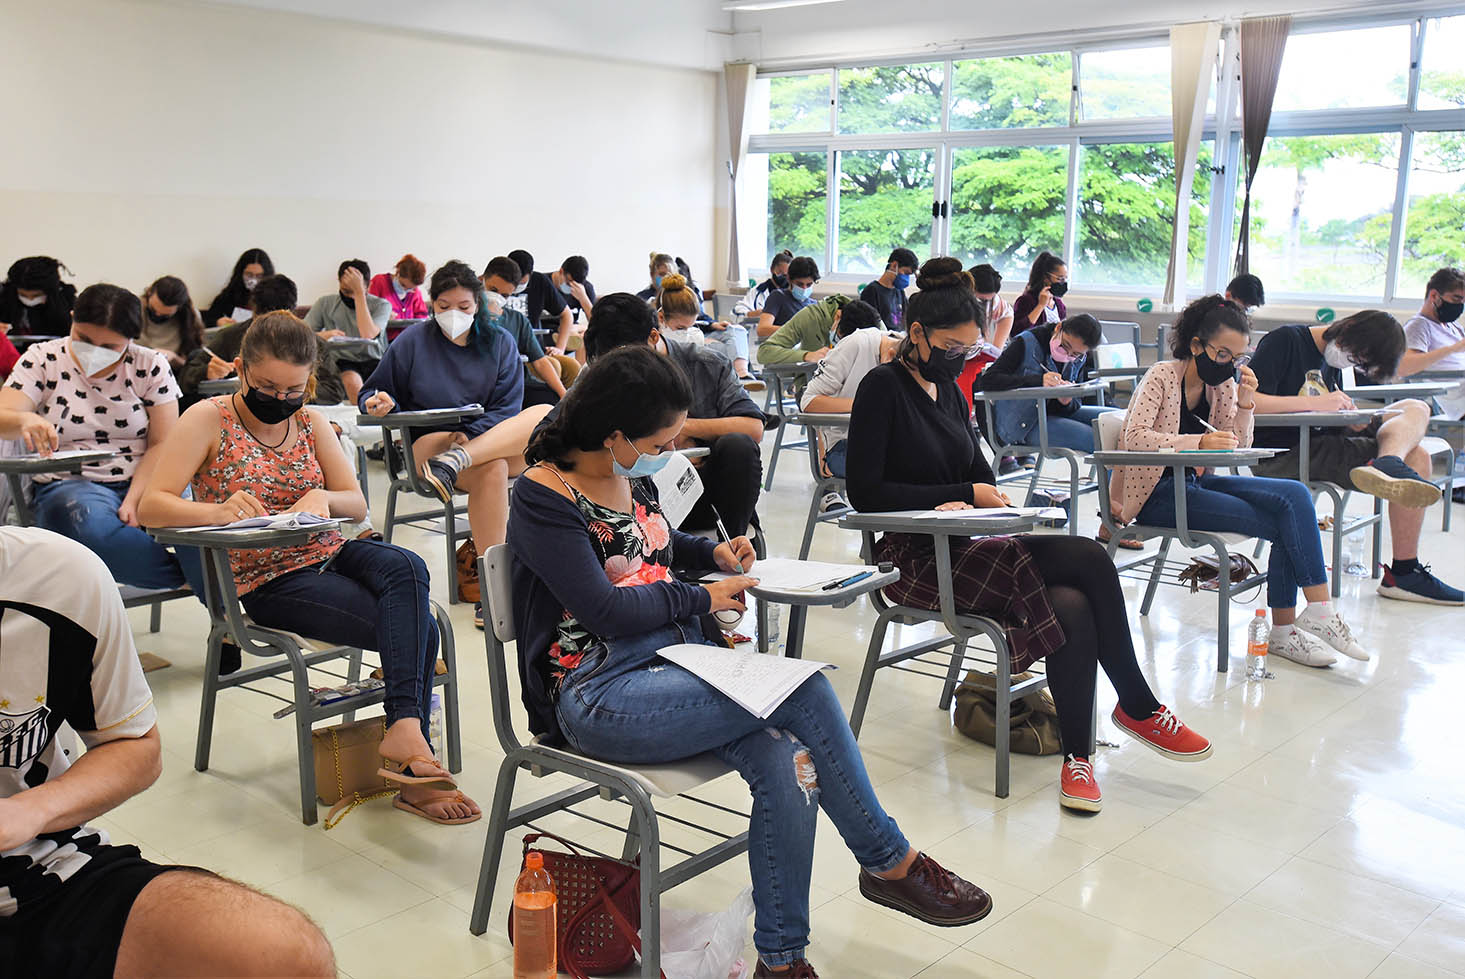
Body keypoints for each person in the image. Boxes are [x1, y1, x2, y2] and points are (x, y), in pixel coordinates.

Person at [509, 344, 995, 978]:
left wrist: (710, 553)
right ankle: (887, 860)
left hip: (675, 663)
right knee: (805, 691)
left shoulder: (630, 471)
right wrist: (701, 596)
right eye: (661, 440)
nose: (672, 450)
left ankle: (782, 961)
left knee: (790, 762)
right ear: (614, 435)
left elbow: (656, 545)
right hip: (598, 691)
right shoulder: (543, 496)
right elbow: (604, 610)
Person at [847, 258, 1213, 813]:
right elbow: (866, 492)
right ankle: (1133, 707)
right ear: (916, 334)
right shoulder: (882, 388)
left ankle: (1080, 757)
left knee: (1077, 586)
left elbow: (982, 473)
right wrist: (959, 493)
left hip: (961, 543)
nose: (959, 359)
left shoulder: (949, 392)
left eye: (967, 349)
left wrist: (977, 495)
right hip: (910, 558)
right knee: (1081, 572)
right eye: (950, 347)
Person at [138, 311, 479, 826]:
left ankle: (404, 732)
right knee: (418, 629)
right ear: (240, 369)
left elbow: (355, 503)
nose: (280, 398)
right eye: (266, 387)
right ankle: (412, 748)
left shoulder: (310, 422)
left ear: (309, 381)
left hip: (328, 551)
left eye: (293, 389)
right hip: (264, 577)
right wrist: (217, 511)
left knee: (407, 564)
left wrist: (324, 497)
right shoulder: (207, 419)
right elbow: (152, 507)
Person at [0, 525, 335, 978]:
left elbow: (134, 746)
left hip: (36, 867)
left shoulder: (56, 577)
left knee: (285, 954)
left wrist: (30, 811)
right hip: (264, 568)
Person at [1116, 295, 1370, 667]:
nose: (1229, 365)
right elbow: (1134, 437)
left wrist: (1246, 402)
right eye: (1222, 354)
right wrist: (1197, 442)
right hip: (1158, 495)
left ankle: (1316, 612)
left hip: (1195, 486)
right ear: (1196, 345)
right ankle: (1287, 629)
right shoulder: (1162, 375)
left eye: (1238, 358)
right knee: (1285, 524)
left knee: (1295, 495)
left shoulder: (1221, 387)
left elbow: (1239, 445)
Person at [1248, 311, 1461, 605]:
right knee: (1418, 458)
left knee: (1416, 407)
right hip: (1285, 452)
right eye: (1356, 357)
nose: (1352, 363)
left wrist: (1348, 419)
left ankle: (1388, 460)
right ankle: (1404, 573)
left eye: (1360, 363)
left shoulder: (1331, 361)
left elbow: (1324, 414)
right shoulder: (1285, 340)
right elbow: (1249, 401)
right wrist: (1316, 404)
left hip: (1320, 439)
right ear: (1347, 328)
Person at [0, 284, 194, 593]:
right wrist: (24, 419)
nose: (94, 353)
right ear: (72, 318)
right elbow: (3, 415)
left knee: (197, 522)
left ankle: (221, 595)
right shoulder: (43, 358)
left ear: (132, 338)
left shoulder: (150, 364)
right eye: (85, 340)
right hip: (71, 485)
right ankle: (197, 582)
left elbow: (163, 443)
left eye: (110, 347)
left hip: (147, 477)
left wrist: (136, 498)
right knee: (87, 527)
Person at [361, 260, 549, 556]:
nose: (453, 314)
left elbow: (508, 407)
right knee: (494, 468)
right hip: (432, 446)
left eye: (463, 307)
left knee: (545, 414)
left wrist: (471, 436)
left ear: (478, 304)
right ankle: (494, 574)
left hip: (487, 439)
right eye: (444, 306)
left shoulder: (500, 342)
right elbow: (374, 390)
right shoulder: (413, 341)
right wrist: (379, 401)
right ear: (432, 304)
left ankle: (460, 459)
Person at [582, 293, 766, 537]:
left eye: (628, 360)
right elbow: (558, 428)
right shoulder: (601, 373)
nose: (621, 371)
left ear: (653, 337)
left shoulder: (707, 364)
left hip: (701, 490)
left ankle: (733, 543)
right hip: (629, 494)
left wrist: (682, 428)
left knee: (738, 446)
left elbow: (753, 427)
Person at [176, 275, 345, 410]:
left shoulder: (311, 343)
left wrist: (293, 394)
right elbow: (186, 377)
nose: (270, 333)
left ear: (293, 313)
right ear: (254, 310)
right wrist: (206, 372)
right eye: (262, 322)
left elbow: (334, 391)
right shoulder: (231, 336)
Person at [979, 312, 1113, 452]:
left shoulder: (1079, 358)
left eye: (1075, 354)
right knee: (1094, 439)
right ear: (1058, 327)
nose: (1067, 354)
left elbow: (1074, 406)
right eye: (1064, 346)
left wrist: (1066, 402)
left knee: (1118, 423)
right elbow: (988, 380)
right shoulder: (1026, 342)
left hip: (1053, 415)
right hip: (1023, 424)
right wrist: (1038, 380)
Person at [799, 319, 903, 479]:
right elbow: (808, 402)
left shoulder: (911, 349)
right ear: (890, 357)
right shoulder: (856, 345)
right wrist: (865, 405)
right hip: (845, 444)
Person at [480, 256, 572, 408]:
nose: (497, 298)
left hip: (518, 385)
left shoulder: (517, 320)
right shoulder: (470, 316)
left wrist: (564, 395)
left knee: (553, 401)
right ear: (482, 280)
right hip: (485, 387)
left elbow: (540, 361)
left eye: (504, 295)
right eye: (493, 290)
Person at [304, 258, 389, 404]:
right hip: (343, 360)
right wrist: (323, 335)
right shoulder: (325, 303)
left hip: (374, 360)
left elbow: (368, 334)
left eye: (354, 291)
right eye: (346, 291)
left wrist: (359, 293)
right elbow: (301, 334)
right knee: (352, 382)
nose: (350, 296)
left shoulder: (381, 305)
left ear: (368, 286)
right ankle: (361, 413)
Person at [653, 273, 753, 379]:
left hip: (705, 336)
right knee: (725, 350)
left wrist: (712, 324)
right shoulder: (653, 339)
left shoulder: (691, 327)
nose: (686, 333)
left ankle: (742, 374)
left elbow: (699, 322)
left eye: (691, 326)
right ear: (661, 318)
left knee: (736, 330)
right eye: (681, 328)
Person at [1398, 268, 1465, 418]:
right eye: (1456, 299)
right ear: (1434, 295)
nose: (1460, 306)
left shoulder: (1454, 327)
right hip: (1459, 398)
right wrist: (1453, 349)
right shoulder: (1419, 326)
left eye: (1463, 302)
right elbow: (1403, 367)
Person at [760, 296, 881, 366]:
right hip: (813, 384)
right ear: (837, 316)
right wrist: (807, 355)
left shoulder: (872, 323)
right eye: (841, 338)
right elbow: (764, 352)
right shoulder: (810, 316)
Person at [504, 249, 573, 349]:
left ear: (530, 274)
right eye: (514, 281)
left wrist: (560, 349)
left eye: (521, 283)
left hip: (531, 347)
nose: (517, 286)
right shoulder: (496, 281)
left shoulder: (540, 282)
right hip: (502, 346)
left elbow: (567, 315)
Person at [136, 275, 205, 371]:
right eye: (153, 310)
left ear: (179, 308)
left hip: (171, 372)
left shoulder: (190, 319)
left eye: (165, 315)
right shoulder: (134, 309)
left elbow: (194, 366)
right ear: (149, 293)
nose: (157, 315)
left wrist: (175, 358)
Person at [0, 256, 77, 337]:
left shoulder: (68, 303)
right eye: (23, 295)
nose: (30, 299)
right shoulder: (5, 298)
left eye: (37, 295)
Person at [202, 248, 273, 329]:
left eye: (259, 276)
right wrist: (217, 322)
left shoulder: (273, 299)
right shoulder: (228, 296)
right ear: (240, 273)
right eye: (249, 274)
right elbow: (209, 319)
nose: (253, 280)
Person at [756, 256, 820, 339]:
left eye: (809, 285)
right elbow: (762, 330)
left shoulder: (815, 306)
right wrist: (797, 331)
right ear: (789, 279)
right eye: (799, 284)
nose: (804, 288)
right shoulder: (778, 297)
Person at [859, 248, 919, 331]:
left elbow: (908, 316)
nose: (906, 278)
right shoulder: (872, 291)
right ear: (894, 265)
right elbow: (870, 326)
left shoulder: (899, 291)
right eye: (905, 273)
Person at [1010, 251, 1067, 337]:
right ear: (1045, 277)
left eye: (1065, 279)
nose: (1063, 283)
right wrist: (1040, 306)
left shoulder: (1059, 304)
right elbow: (1016, 332)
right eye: (1060, 279)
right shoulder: (1026, 300)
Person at [548, 255, 597, 351]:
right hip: (549, 330)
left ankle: (575, 336)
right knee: (577, 334)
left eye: (576, 283)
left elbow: (596, 322)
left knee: (586, 333)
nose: (571, 286)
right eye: (568, 282)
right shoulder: (544, 283)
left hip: (573, 328)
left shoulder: (585, 288)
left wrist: (583, 298)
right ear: (561, 272)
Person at [368, 253, 430, 323]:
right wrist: (382, 314)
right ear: (398, 273)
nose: (405, 290)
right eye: (403, 285)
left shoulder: (415, 293)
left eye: (410, 289)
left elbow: (422, 319)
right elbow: (366, 309)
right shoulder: (379, 282)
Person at [734, 250, 792, 319]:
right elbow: (736, 312)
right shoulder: (758, 291)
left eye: (786, 275)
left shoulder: (793, 292)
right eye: (780, 273)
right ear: (772, 269)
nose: (784, 276)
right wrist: (757, 313)